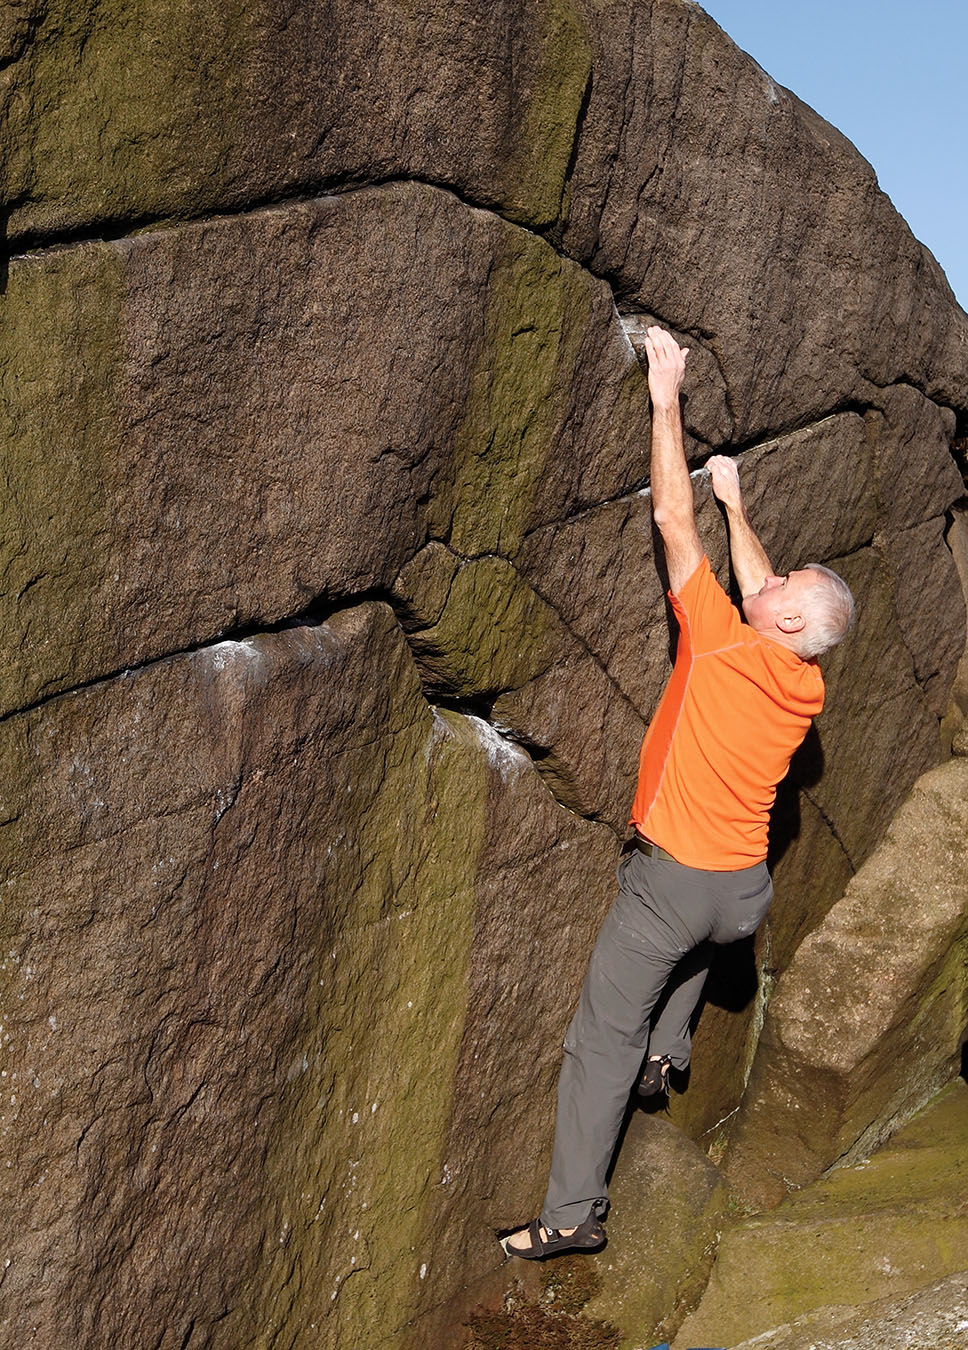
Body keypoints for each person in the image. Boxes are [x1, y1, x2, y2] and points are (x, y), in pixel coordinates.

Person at [501, 326, 855, 1260]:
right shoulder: (804, 680)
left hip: (677, 889)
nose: (770, 576)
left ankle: (572, 1216)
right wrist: (737, 504)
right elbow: (764, 589)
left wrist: (665, 399)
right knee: (700, 951)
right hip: (743, 895)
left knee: (596, 1046)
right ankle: (675, 1048)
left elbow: (670, 527)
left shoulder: (723, 640)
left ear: (781, 618)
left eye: (783, 580)